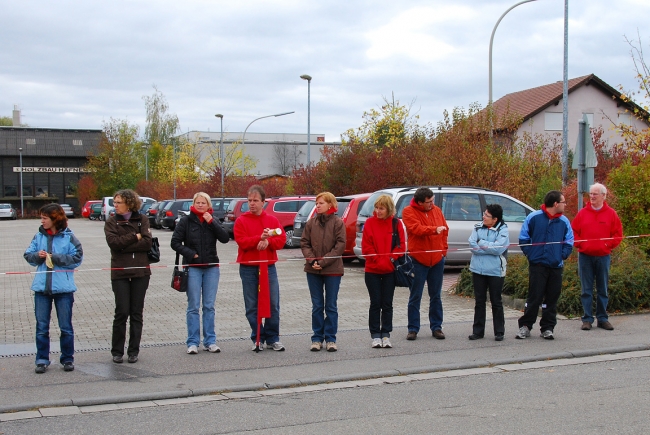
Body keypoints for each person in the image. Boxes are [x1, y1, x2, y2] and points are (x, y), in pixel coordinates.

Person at [24, 204, 83, 374]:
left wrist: (56, 257)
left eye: (45, 218)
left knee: (65, 327)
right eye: (41, 218)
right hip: (41, 289)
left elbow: (77, 258)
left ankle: (67, 358)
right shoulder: (38, 236)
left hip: (63, 290)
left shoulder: (69, 237)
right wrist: (37, 256)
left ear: (55, 219)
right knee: (42, 327)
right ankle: (42, 359)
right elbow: (28, 255)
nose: (42, 221)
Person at [171, 192, 230, 354]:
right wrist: (191, 254)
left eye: (203, 203)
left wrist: (213, 224)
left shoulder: (213, 220)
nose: (200, 205)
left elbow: (225, 238)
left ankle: (210, 341)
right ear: (193, 204)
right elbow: (175, 243)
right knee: (193, 306)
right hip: (193, 268)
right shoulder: (186, 221)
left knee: (209, 306)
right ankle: (192, 342)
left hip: (211, 268)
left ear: (209, 205)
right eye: (198, 202)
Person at [234, 185, 287, 351]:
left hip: (268, 267)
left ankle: (273, 338)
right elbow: (242, 241)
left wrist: (268, 241)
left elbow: (281, 239)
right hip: (248, 268)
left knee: (273, 303)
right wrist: (260, 238)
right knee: (251, 305)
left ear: (263, 202)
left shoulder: (272, 221)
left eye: (255, 200)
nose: (252, 204)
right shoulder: (241, 220)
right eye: (249, 200)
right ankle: (257, 337)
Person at [517, 190, 574, 340]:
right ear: (556, 204)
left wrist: (561, 256)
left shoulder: (564, 221)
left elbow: (569, 242)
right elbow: (523, 238)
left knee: (552, 299)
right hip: (538, 266)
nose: (565, 205)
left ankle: (548, 328)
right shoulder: (533, 217)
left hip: (555, 266)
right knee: (534, 298)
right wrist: (531, 254)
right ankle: (525, 326)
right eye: (563, 202)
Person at [104, 189, 152, 363]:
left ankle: (133, 351)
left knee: (136, 312)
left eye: (118, 202)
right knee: (122, 311)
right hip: (120, 272)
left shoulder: (142, 220)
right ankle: (117, 351)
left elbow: (147, 243)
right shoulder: (111, 222)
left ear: (130, 204)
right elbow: (114, 244)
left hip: (140, 271)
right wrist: (134, 237)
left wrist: (127, 243)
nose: (115, 205)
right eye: (114, 202)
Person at [571, 183, 623, 331]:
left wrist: (607, 245)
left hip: (603, 257)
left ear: (603, 196)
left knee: (603, 289)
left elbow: (617, 235)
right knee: (586, 290)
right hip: (585, 256)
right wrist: (580, 244)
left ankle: (602, 318)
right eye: (591, 194)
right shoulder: (582, 213)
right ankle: (587, 319)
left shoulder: (611, 214)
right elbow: (573, 232)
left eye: (595, 194)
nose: (592, 197)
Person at [300, 192, 346, 352]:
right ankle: (317, 338)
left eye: (321, 203)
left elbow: (340, 245)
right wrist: (312, 261)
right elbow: (304, 243)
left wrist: (323, 261)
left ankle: (331, 338)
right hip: (313, 270)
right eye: (316, 203)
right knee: (317, 306)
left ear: (330, 205)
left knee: (331, 306)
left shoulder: (338, 223)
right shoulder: (311, 223)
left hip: (332, 270)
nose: (317, 205)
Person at [402, 187, 449, 340]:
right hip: (418, 260)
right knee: (416, 295)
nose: (432, 204)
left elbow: (445, 230)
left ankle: (437, 327)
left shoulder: (437, 211)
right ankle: (413, 328)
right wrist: (434, 230)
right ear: (419, 202)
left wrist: (443, 251)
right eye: (428, 202)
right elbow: (416, 229)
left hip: (437, 260)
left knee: (436, 295)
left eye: (432, 200)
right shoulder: (408, 212)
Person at [361, 194, 405, 349]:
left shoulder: (396, 223)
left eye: (381, 208)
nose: (378, 211)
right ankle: (375, 335)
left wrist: (390, 259)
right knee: (375, 303)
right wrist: (378, 260)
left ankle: (386, 334)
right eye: (376, 208)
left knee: (387, 303)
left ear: (389, 209)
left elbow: (401, 246)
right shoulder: (369, 223)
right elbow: (366, 246)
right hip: (372, 270)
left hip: (389, 270)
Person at [468, 204, 509, 342]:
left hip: (495, 271)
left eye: (487, 216)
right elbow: (472, 245)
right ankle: (478, 331)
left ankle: (499, 331)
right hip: (478, 269)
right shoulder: (477, 227)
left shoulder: (503, 229)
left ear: (495, 219)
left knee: (496, 301)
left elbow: (498, 249)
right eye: (484, 214)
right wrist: (486, 246)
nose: (483, 217)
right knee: (479, 301)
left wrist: (482, 243)